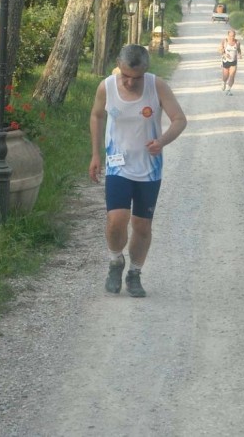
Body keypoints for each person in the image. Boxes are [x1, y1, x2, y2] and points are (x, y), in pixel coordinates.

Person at [89, 44, 187, 298]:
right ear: (118, 68)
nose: (130, 83)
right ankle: (114, 261)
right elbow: (97, 116)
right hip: (117, 165)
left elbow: (179, 119)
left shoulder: (157, 86)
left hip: (149, 169)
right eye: (125, 76)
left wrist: (162, 141)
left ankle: (134, 273)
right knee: (116, 220)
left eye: (137, 78)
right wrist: (96, 154)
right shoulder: (107, 87)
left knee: (142, 226)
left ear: (146, 71)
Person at [219, 29, 242, 96]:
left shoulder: (237, 42)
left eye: (233, 36)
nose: (232, 37)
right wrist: (224, 54)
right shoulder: (224, 41)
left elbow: (238, 49)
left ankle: (228, 90)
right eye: (231, 36)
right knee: (225, 76)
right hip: (225, 61)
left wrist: (239, 54)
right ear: (228, 35)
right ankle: (223, 82)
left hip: (233, 62)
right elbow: (219, 50)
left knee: (232, 76)